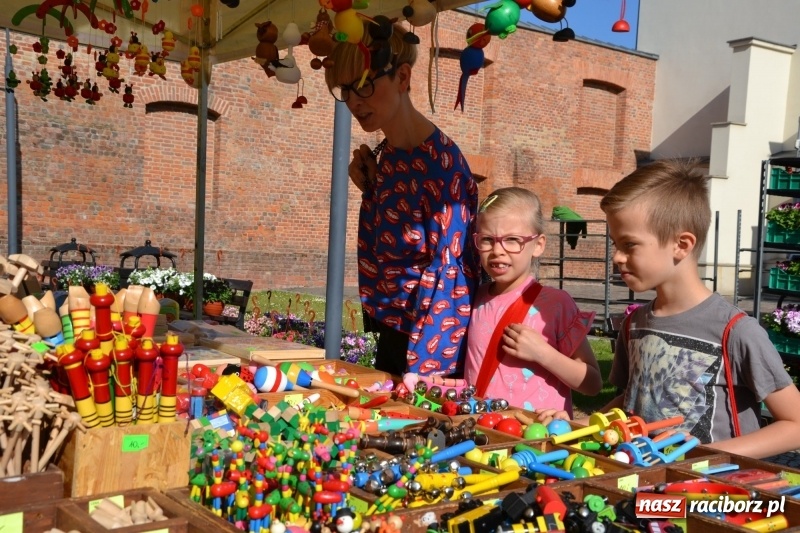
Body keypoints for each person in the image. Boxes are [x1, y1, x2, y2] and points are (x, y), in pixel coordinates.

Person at [598, 158, 800, 458]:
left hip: (714, 496)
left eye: (629, 245)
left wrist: (703, 455)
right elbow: (634, 400)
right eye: (615, 243)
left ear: (682, 244)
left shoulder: (737, 332)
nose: (616, 257)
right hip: (646, 486)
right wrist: (581, 425)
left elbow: (794, 424)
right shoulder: (634, 324)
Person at [325, 21, 479, 377]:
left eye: (363, 85)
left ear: (403, 77)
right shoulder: (391, 153)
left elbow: (451, 278)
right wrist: (373, 190)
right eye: (344, 89)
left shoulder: (444, 169)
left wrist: (423, 374)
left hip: (430, 346)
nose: (353, 101)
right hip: (393, 331)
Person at [463, 187, 602, 415]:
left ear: (538, 245)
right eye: (487, 239)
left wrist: (543, 353)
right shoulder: (474, 298)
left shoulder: (556, 304)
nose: (498, 250)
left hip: (535, 440)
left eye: (512, 240)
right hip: (482, 432)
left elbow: (593, 383)